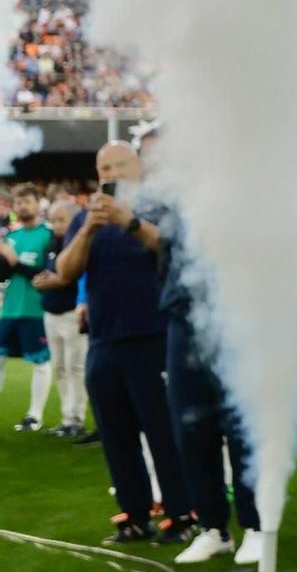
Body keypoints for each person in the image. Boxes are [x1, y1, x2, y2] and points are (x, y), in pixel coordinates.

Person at [50, 142, 194, 545]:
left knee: (162, 431)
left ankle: (183, 513)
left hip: (152, 336)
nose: (111, 174)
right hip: (104, 339)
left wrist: (128, 221)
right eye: (104, 168)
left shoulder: (160, 208)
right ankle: (134, 513)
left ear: (140, 169)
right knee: (116, 434)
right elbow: (65, 270)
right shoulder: (85, 219)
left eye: (119, 166)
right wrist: (92, 228)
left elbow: (171, 249)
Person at [140, 172, 264, 567]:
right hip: (182, 322)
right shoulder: (178, 206)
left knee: (241, 430)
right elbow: (166, 259)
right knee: (191, 430)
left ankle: (256, 526)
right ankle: (213, 527)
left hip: (234, 321)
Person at [32, 196, 89, 438]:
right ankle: (67, 417)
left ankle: (76, 418)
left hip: (70, 313)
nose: (56, 225)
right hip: (51, 312)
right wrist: (42, 281)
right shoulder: (53, 244)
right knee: (60, 367)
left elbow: (76, 277)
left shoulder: (80, 244)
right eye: (53, 220)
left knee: (75, 367)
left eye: (61, 220)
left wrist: (57, 281)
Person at [0, 186, 56, 431]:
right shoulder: (12, 237)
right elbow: (4, 275)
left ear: (37, 205)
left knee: (41, 362)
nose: (22, 206)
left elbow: (47, 274)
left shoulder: (48, 235)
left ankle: (34, 415)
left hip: (36, 310)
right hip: (9, 309)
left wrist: (14, 261)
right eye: (19, 202)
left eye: (27, 201)